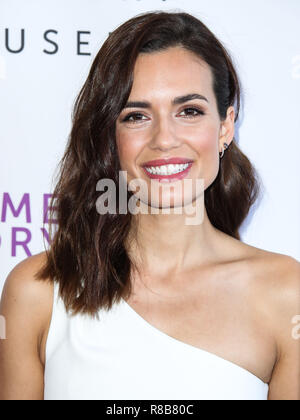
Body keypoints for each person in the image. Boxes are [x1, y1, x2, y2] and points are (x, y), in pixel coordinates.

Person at [0, 10, 299, 401]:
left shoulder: (285, 292)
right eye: (137, 115)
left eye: (188, 111)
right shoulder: (38, 290)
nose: (164, 139)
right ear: (110, 136)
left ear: (225, 126)